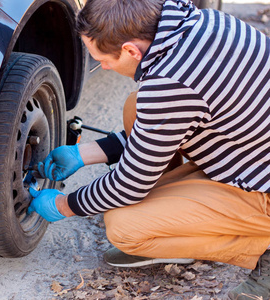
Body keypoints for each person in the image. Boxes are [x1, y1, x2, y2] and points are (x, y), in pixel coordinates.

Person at [27, 0, 270, 299]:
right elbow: (165, 126)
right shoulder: (195, 22)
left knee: (123, 226)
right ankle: (175, 222)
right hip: (253, 153)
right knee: (137, 107)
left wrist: (64, 204)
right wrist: (83, 153)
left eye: (104, 60)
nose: (103, 67)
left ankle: (257, 246)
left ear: (131, 50)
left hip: (262, 186)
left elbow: (130, 186)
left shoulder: (170, 83)